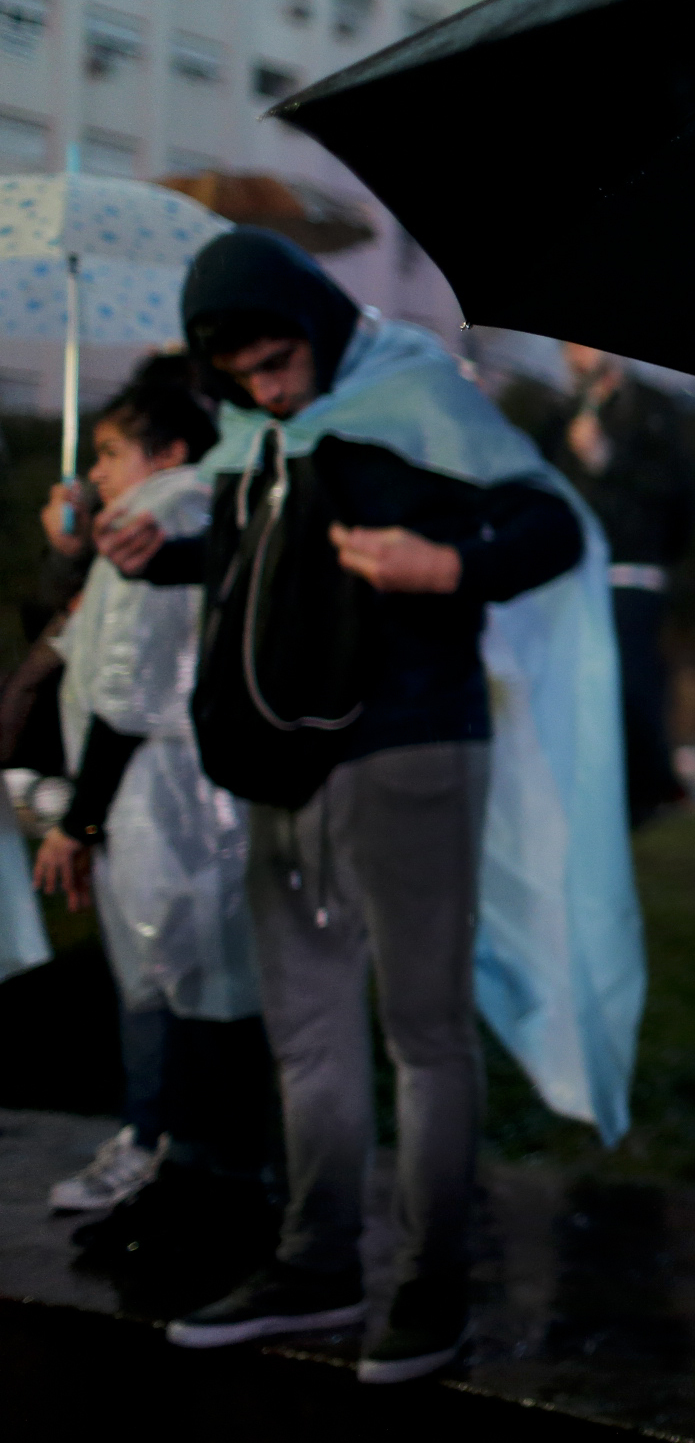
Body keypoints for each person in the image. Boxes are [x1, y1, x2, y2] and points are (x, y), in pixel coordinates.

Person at [97, 230, 638, 1385]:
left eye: (272, 354)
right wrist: (160, 554)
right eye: (235, 368)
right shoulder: (266, 436)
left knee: (424, 1032)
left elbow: (553, 529)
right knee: (307, 1034)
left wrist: (446, 565)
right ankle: (316, 1258)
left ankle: (433, 1284)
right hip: (278, 774)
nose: (260, 380)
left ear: (320, 324)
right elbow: (265, 560)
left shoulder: (418, 403)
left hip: (409, 754)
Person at [33, 357, 273, 1295]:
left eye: (109, 451)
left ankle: (203, 1192)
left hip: (168, 803)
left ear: (170, 449)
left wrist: (77, 821)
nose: (97, 470)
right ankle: (190, 1182)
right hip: (172, 802)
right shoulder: (176, 510)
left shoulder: (165, 515)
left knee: (190, 990)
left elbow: (127, 691)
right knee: (186, 986)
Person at [534, 344, 695, 825]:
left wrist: (609, 462)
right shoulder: (560, 414)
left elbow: (677, 497)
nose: (575, 355)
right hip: (573, 575)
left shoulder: (651, 411)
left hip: (631, 572)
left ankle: (643, 793)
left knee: (631, 683)